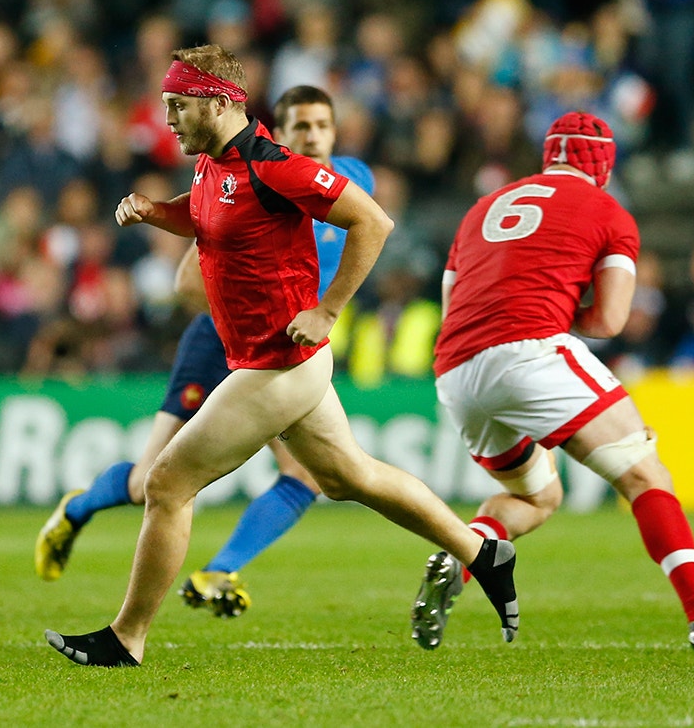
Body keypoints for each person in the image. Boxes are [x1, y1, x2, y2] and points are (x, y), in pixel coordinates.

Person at [44, 46, 520, 667]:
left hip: (280, 364)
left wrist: (328, 310)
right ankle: (483, 554)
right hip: (274, 362)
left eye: (177, 106)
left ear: (219, 103)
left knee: (165, 481)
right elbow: (206, 219)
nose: (168, 119)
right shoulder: (212, 163)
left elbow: (373, 222)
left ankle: (125, 636)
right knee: (351, 477)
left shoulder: (276, 166)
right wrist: (155, 214)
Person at [412, 111, 694, 653]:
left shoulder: (482, 208)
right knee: (643, 472)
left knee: (538, 496)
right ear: (605, 163)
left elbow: (456, 308)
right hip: (529, 351)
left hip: (455, 371)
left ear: (550, 155)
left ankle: (461, 559)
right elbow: (611, 321)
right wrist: (548, 314)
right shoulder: (608, 212)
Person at [35, 85, 376, 618]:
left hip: (285, 353)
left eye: (323, 125)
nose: (313, 136)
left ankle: (219, 570)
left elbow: (363, 234)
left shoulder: (353, 180)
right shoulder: (257, 183)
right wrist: (248, 318)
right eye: (300, 127)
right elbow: (186, 281)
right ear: (278, 135)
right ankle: (79, 508)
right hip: (221, 344)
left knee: (305, 475)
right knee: (149, 481)